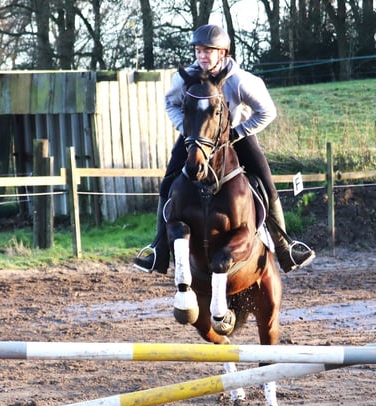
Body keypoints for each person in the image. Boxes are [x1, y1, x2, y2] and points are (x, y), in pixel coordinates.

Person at [134, 23, 316, 275]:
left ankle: (285, 249)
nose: (202, 56)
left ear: (223, 53)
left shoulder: (241, 81)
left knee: (265, 182)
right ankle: (159, 251)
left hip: (237, 137)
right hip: (199, 139)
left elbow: (267, 112)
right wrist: (188, 132)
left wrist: (238, 132)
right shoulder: (184, 78)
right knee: (167, 183)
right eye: (198, 51)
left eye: (208, 51)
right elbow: (169, 103)